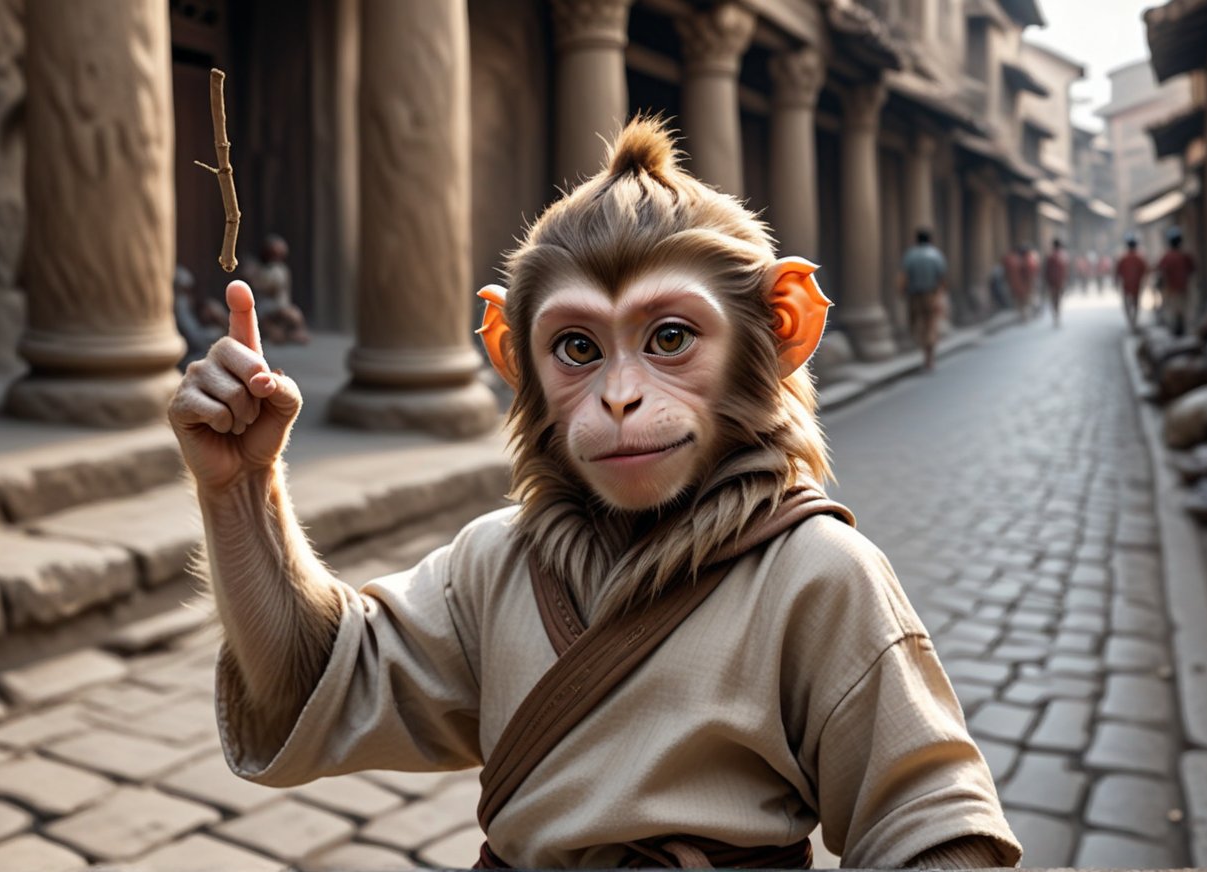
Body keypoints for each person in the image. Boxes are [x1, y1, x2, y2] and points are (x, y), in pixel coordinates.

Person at [171, 118, 1021, 869]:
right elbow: (310, 681)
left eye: (672, 337)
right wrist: (242, 491)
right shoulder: (494, 563)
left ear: (782, 326)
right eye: (577, 347)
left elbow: (930, 823)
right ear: (512, 355)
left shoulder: (819, 576)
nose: (621, 394)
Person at [899, 227, 948, 371]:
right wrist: (940, 296)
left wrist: (902, 293)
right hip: (931, 295)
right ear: (930, 240)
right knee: (931, 324)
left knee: (918, 324)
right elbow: (942, 279)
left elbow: (903, 277)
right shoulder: (936, 255)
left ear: (916, 240)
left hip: (914, 296)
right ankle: (929, 358)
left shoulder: (910, 255)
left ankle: (923, 353)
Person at [1157, 228, 1198, 336]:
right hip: (1184, 288)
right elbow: (1192, 270)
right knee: (1183, 311)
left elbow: (1161, 271)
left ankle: (1177, 332)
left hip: (1172, 289)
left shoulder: (1167, 256)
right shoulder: (1185, 255)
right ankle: (1181, 331)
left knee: (1175, 312)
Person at [1116, 236, 1148, 332]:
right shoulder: (1140, 258)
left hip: (1126, 286)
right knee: (1136, 303)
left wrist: (1117, 283)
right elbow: (1145, 271)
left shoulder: (1123, 258)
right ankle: (1134, 321)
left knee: (1127, 305)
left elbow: (1118, 272)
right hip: (1137, 286)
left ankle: (1131, 322)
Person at [1043, 239, 1068, 328]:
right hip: (1060, 282)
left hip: (1052, 283)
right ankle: (1057, 316)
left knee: (1054, 300)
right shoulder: (1063, 256)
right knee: (1057, 300)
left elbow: (1046, 270)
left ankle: (1056, 316)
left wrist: (1046, 282)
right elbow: (1066, 271)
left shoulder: (1050, 256)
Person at [1003, 246, 1030, 321]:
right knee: (1023, 300)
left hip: (1015, 283)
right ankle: (1023, 314)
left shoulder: (1011, 260)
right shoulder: (1021, 261)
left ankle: (1022, 314)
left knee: (1019, 299)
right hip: (1021, 283)